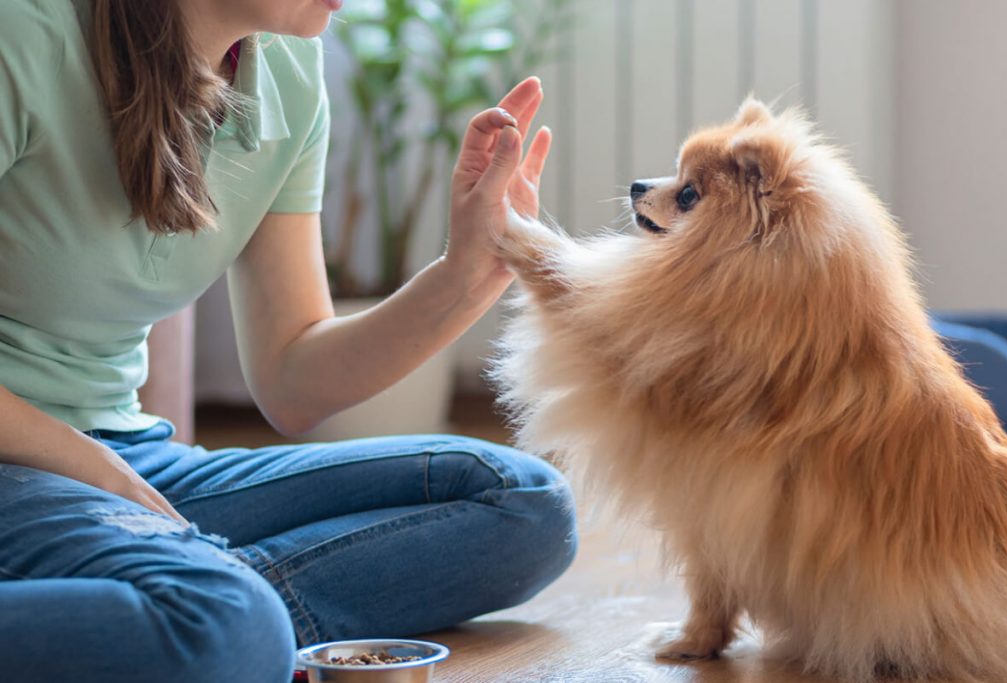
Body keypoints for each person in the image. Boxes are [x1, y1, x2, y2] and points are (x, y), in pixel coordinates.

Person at [0, 1, 576, 681]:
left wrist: (466, 274)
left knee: (520, 500)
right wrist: (98, 472)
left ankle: (192, 602)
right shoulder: (24, 33)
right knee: (219, 624)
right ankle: (208, 610)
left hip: (126, 458)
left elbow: (293, 378)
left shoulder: (288, 71)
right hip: (30, 461)